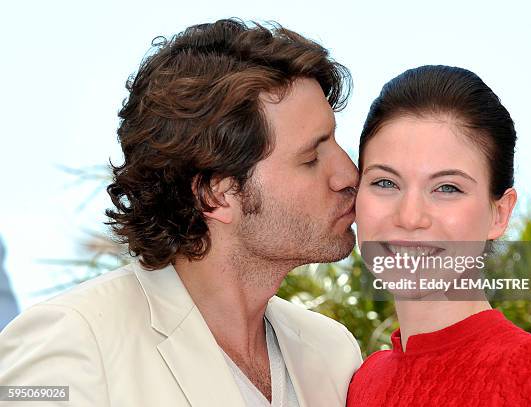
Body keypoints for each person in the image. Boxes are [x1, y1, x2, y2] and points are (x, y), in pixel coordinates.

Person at [0, 19, 362, 407]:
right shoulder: (70, 345)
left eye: (336, 140)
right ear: (215, 195)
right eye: (311, 157)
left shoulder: (333, 351)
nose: (349, 175)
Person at [347, 65, 531, 406]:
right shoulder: (364, 381)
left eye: (447, 188)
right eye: (385, 183)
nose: (410, 217)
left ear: (499, 213)